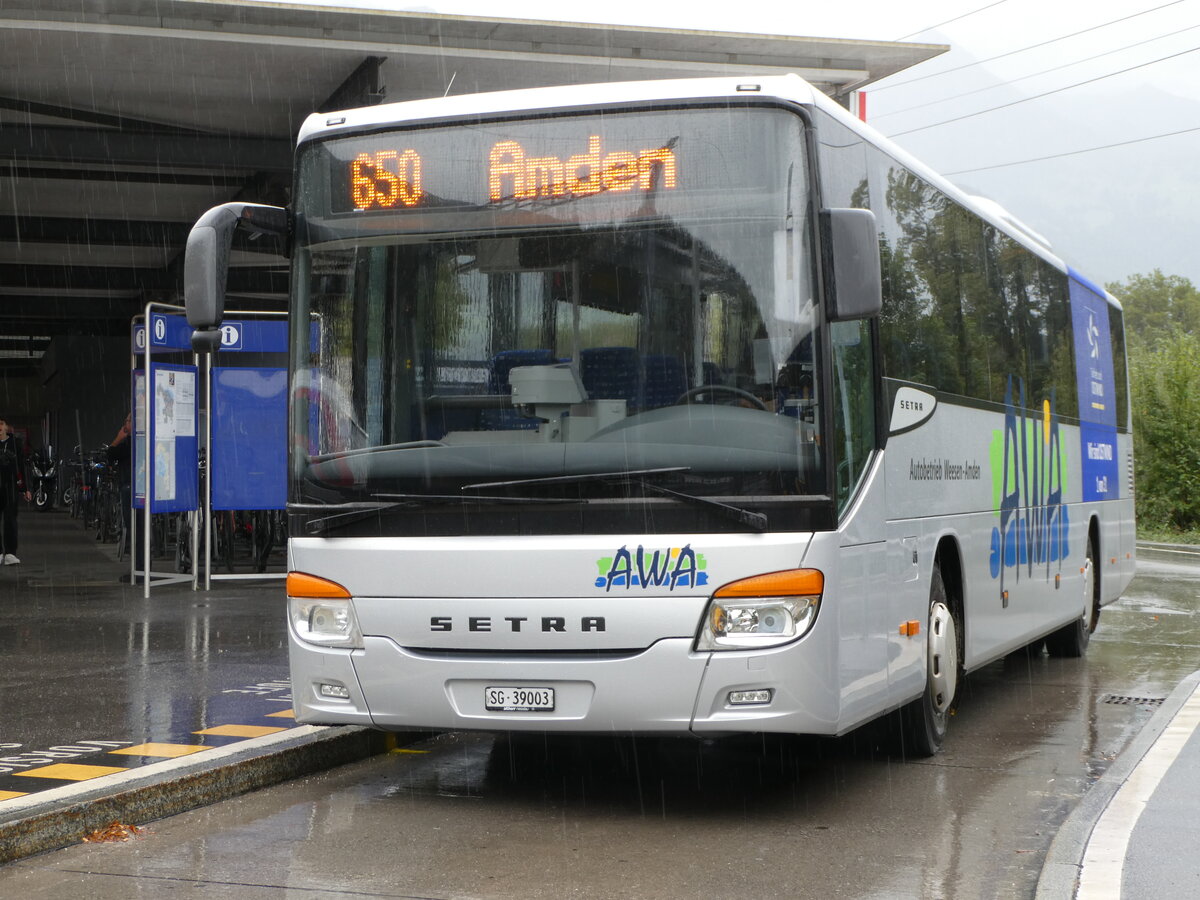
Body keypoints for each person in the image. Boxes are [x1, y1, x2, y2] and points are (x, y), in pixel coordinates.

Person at [107, 412, 143, 576]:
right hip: (139, 487)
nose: (124, 425)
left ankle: (139, 568)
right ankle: (141, 566)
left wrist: (117, 438)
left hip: (129, 487)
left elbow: (110, 455)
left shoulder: (128, 443)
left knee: (133, 527)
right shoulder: (142, 442)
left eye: (127, 421)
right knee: (139, 528)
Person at [0, 418, 31, 565]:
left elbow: (21, 467)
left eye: (1, 423)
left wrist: (25, 488)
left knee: (10, 519)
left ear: (6, 427)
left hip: (10, 486)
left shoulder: (14, 444)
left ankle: (10, 553)